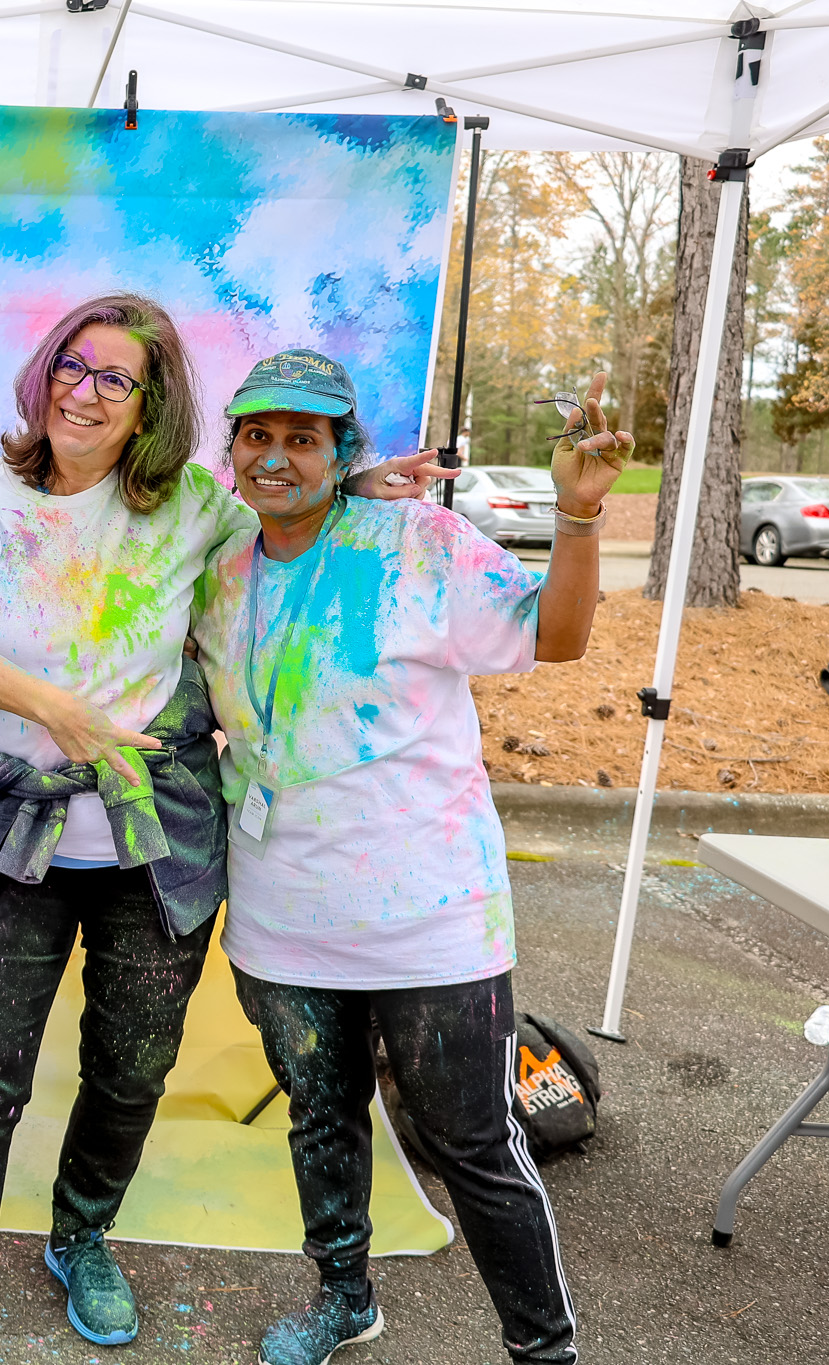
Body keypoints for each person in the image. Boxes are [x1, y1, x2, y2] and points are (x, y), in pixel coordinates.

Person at [0, 294, 439, 1363]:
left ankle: (80, 1235)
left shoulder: (196, 504)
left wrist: (356, 484)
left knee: (130, 1070)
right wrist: (61, 716)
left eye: (112, 378)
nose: (81, 391)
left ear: (150, 404)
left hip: (156, 848)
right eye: (69, 365)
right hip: (12, 841)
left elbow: (287, 526)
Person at [192, 353, 628, 1365]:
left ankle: (542, 1349)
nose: (272, 457)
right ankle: (343, 1298)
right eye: (255, 435)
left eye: (302, 438)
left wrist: (576, 517)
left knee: (472, 1145)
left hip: (428, 915)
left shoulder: (418, 543)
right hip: (279, 913)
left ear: (339, 452)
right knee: (319, 1116)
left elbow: (553, 637)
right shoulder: (214, 569)